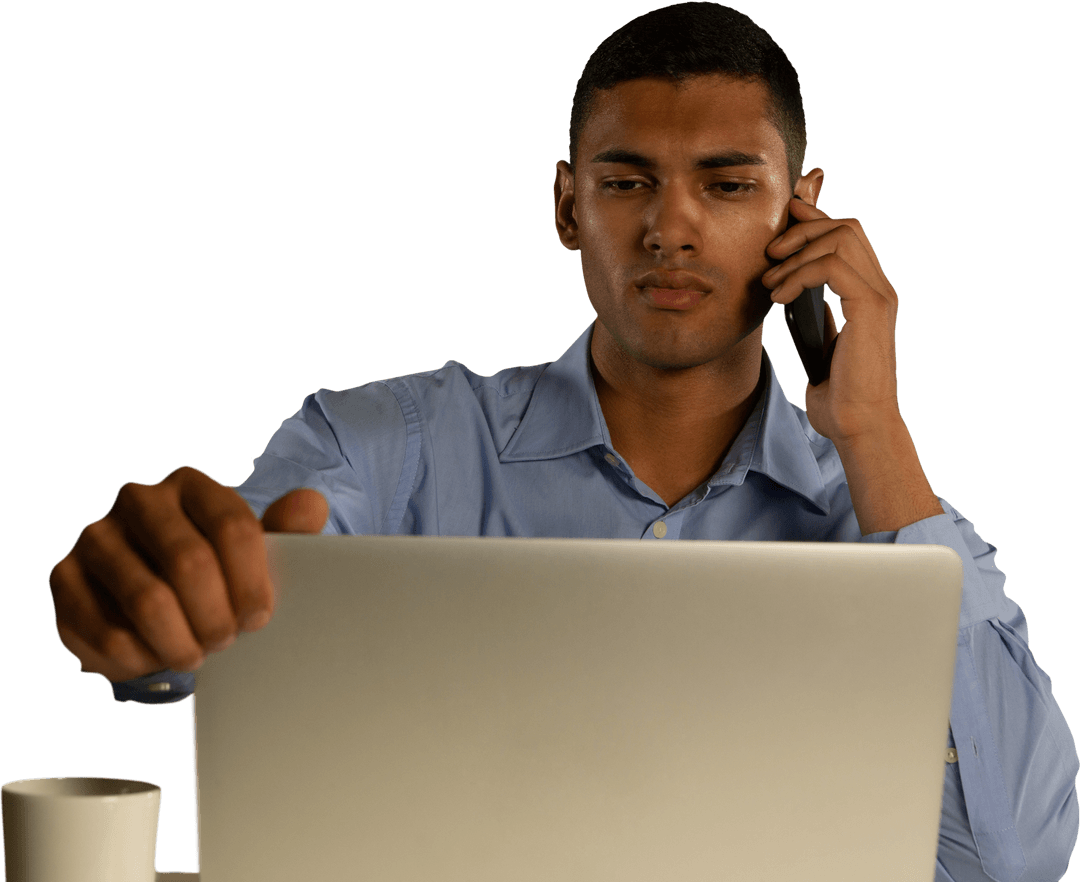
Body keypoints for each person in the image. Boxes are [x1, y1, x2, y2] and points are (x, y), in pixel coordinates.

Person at [48, 2, 1077, 879]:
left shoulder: (885, 522)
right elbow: (217, 606)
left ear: (799, 216)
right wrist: (156, 622)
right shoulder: (382, 446)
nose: (672, 228)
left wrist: (873, 430)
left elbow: (1022, 856)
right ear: (565, 205)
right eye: (627, 182)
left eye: (727, 185)